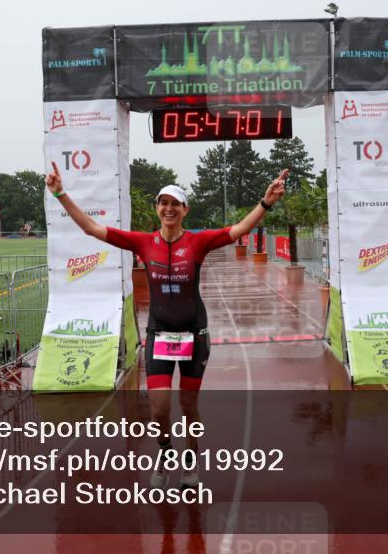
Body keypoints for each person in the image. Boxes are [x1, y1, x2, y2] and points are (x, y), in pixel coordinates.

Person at [46, 161, 287, 488]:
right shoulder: (143, 243)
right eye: (163, 203)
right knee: (159, 409)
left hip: (194, 334)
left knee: (188, 407)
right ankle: (165, 451)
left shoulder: (198, 242)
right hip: (159, 334)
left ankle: (191, 460)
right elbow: (91, 228)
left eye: (175, 204)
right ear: (157, 209)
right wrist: (60, 193)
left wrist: (266, 202)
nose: (168, 208)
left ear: (185, 210)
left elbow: (239, 230)